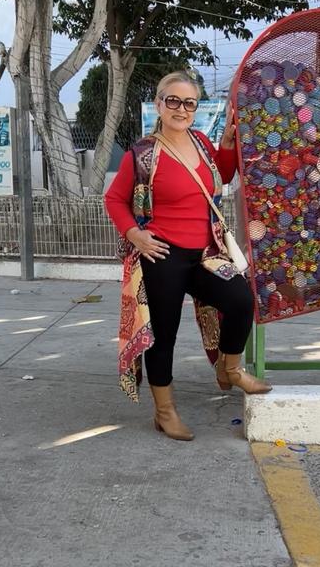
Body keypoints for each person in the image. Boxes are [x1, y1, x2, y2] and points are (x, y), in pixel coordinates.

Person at [104, 70, 271, 442]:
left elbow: (219, 178)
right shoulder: (142, 153)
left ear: (196, 108)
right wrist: (135, 234)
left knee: (241, 300)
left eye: (189, 103)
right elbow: (114, 199)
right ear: (159, 104)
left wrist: (225, 144)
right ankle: (165, 412)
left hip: (205, 253)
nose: (181, 109)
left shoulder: (200, 141)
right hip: (162, 256)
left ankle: (230, 370)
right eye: (173, 101)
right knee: (164, 336)